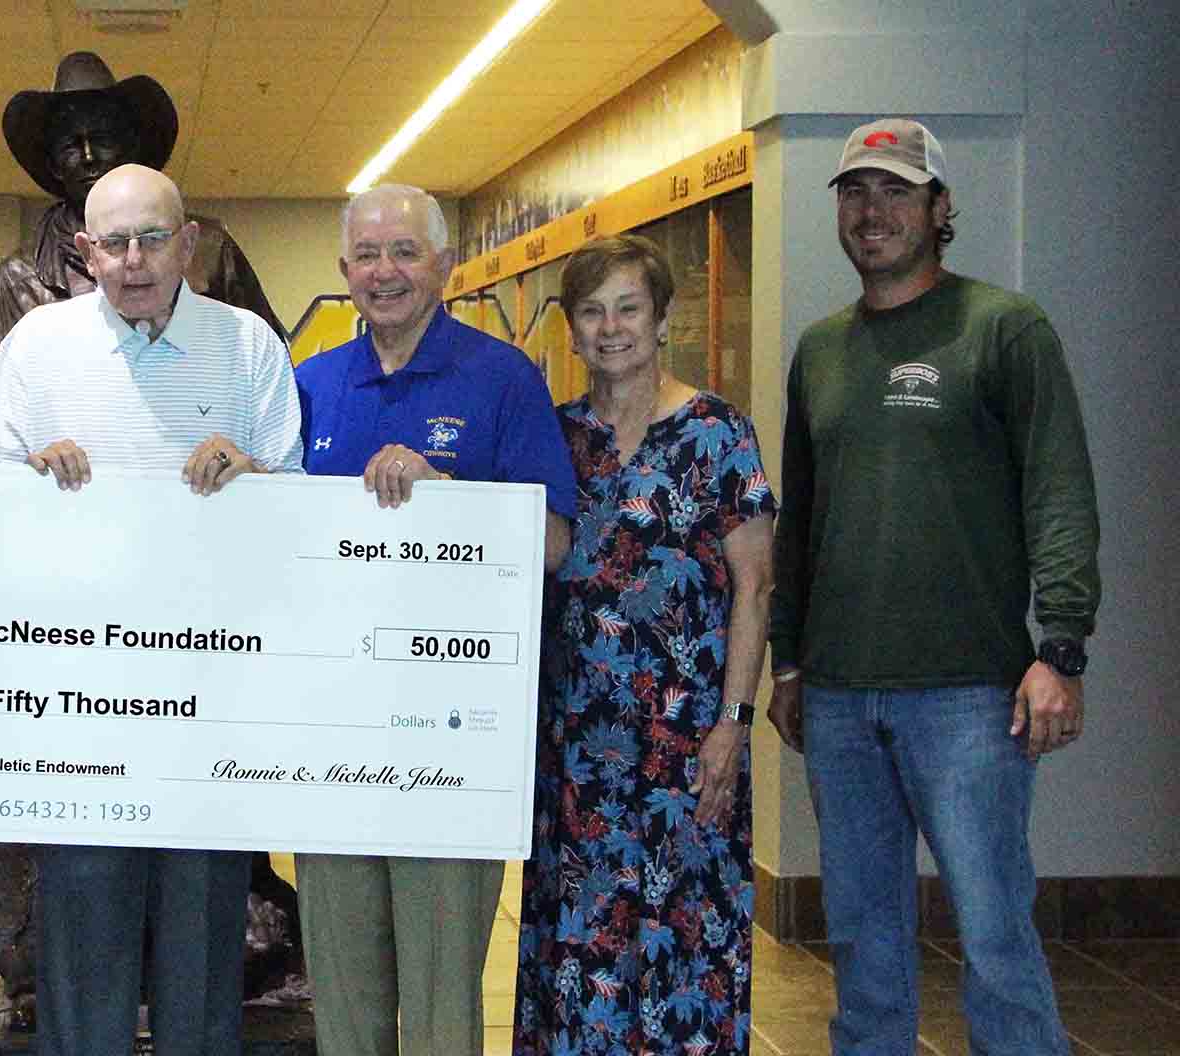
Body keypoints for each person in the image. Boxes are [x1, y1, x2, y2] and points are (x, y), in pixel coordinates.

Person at [768, 118, 1099, 1055]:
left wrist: (1060, 648)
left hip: (966, 696)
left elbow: (1060, 490)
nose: (873, 213)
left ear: (941, 209)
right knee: (863, 942)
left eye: (898, 192)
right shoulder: (821, 349)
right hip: (837, 698)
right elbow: (804, 520)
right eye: (855, 193)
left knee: (994, 938)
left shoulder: (1004, 328)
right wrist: (788, 661)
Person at [0, 162, 304, 1056]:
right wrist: (26, 481)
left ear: (189, 244)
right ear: (84, 252)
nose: (133, 261)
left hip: (211, 708)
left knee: (204, 946)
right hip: (77, 705)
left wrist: (260, 479)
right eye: (113, 243)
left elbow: (300, 520)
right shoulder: (36, 349)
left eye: (153, 238)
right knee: (81, 946)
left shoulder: (249, 350)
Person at [289, 183, 574, 1056]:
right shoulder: (305, 387)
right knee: (340, 988)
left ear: (445, 266)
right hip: (328, 732)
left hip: (451, 738)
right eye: (368, 256)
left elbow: (557, 542)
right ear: (344, 273)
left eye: (405, 252)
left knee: (444, 994)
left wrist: (456, 506)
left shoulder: (504, 380)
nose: (386, 272)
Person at [515, 234, 775, 1055]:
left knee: (685, 939)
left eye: (629, 307)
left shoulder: (718, 434)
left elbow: (755, 588)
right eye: (591, 311)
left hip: (686, 743)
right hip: (576, 743)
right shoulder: (551, 435)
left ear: (663, 319)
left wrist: (734, 719)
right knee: (581, 940)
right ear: (571, 329)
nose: (611, 327)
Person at [0, 50, 285, 347]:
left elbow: (265, 357)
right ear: (53, 164)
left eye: (102, 139)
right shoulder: (19, 276)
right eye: (71, 145)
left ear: (130, 148)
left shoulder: (209, 251)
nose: (89, 157)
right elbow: (6, 388)